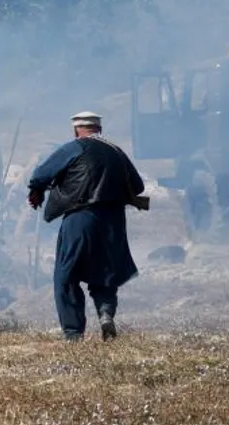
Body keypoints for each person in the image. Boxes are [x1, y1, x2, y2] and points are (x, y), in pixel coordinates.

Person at [28, 111, 147, 341]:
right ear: (99, 129)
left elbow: (41, 174)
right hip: (113, 222)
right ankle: (106, 313)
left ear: (76, 130)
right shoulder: (117, 152)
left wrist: (36, 190)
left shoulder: (74, 148)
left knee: (66, 275)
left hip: (80, 218)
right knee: (105, 273)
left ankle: (73, 333)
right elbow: (138, 186)